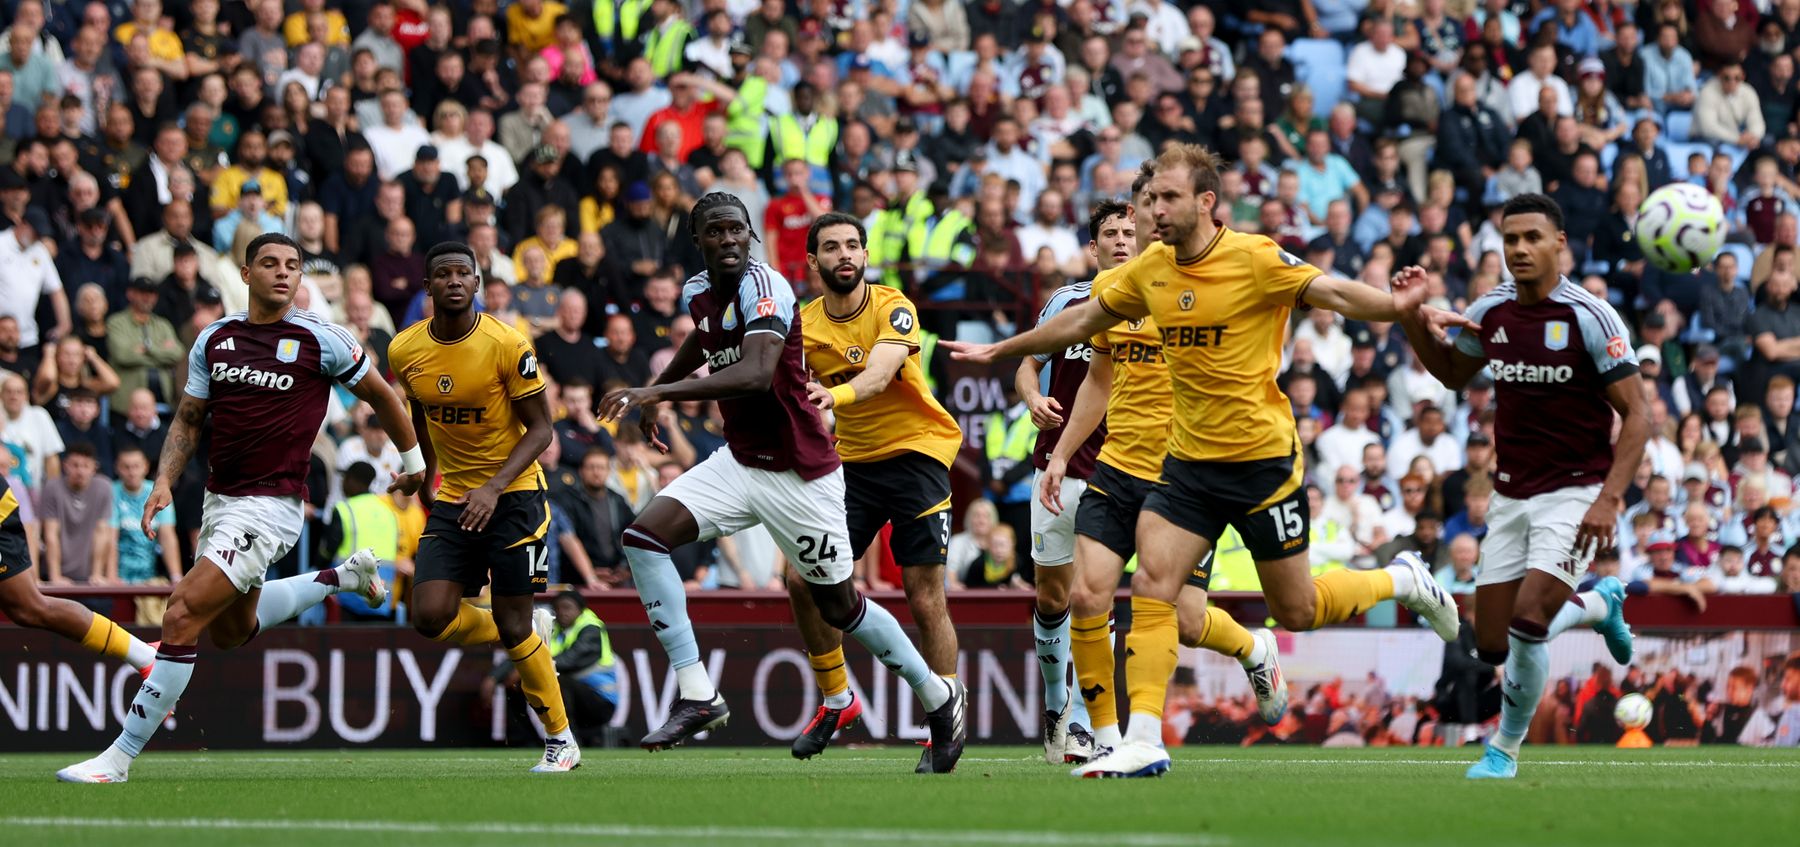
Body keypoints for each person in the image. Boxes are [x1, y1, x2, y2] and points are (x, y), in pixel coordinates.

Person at [942, 144, 1464, 778]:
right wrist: (1006, 351)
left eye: (1165, 200)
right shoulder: (1146, 273)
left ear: (1205, 201)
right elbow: (1078, 332)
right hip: (1176, 467)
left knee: (1294, 609)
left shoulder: (1255, 257)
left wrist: (1401, 305)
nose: (1150, 214)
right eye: (1147, 201)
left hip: (1261, 461)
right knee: (1136, 590)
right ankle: (1136, 739)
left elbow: (1337, 294)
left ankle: (1402, 579)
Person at [599, 193, 967, 772]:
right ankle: (699, 692)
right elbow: (705, 336)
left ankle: (937, 694)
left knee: (842, 605)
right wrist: (659, 389)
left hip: (803, 473)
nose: (726, 240)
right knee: (643, 538)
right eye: (714, 231)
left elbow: (753, 374)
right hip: (741, 461)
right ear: (697, 240)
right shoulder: (700, 290)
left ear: (752, 236)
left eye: (736, 230)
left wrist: (656, 393)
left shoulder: (768, 287)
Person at [56, 233, 421, 784]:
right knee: (230, 630)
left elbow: (384, 395)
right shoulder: (215, 339)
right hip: (219, 500)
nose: (283, 273)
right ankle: (342, 576)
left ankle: (118, 759)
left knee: (180, 613)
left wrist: (413, 460)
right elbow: (188, 417)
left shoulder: (324, 340)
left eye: (293, 266)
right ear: (245, 273)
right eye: (270, 264)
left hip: (272, 505)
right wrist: (162, 480)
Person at [1393, 193, 1646, 780]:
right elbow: (1453, 374)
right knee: (1490, 645)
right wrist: (1410, 315)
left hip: (1577, 491)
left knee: (1529, 621)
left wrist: (1609, 498)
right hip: (1511, 494)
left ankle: (1502, 751)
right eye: (1511, 240)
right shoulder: (1493, 311)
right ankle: (1598, 604)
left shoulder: (1591, 316)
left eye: (1533, 237)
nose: (1520, 249)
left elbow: (1638, 414)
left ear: (1561, 243)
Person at [1037, 186, 1287, 764]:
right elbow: (1097, 381)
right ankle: (1104, 740)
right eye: (1125, 228)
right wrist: (1057, 455)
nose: (1138, 233)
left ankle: (1254, 649)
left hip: (1184, 477)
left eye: (1144, 225)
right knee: (1087, 595)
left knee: (1189, 620)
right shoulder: (1110, 294)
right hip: (1118, 468)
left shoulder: (1206, 286)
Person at [386, 240, 579, 773]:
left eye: (462, 274)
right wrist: (428, 471)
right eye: (441, 274)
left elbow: (543, 428)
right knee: (428, 615)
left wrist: (493, 487)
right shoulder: (404, 350)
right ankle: (526, 632)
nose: (453, 281)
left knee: (513, 624)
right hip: (454, 496)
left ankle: (561, 741)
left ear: (477, 283)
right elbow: (422, 412)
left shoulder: (505, 343)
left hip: (514, 494)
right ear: (427, 288)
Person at [787, 212, 963, 768]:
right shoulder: (802, 324)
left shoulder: (894, 306)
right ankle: (837, 698)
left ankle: (946, 711)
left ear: (865, 255)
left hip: (918, 454)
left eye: (853, 246)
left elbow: (881, 373)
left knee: (923, 594)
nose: (845, 254)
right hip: (852, 465)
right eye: (832, 247)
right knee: (800, 577)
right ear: (813, 261)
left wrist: (831, 399)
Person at [1009, 209, 1112, 764]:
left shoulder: (1162, 299)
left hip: (1121, 471)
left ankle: (1091, 725)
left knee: (1095, 597)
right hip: (1056, 466)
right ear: (1093, 249)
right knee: (1053, 598)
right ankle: (1057, 704)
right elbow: (1027, 363)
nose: (1122, 242)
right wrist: (1032, 397)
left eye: (1130, 233)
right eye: (1110, 236)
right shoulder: (1066, 302)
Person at [546, 589, 620, 747]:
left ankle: (567, 741)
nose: (561, 613)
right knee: (520, 683)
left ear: (580, 610)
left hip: (601, 699)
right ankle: (523, 740)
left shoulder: (591, 628)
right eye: (557, 608)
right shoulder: (556, 629)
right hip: (577, 697)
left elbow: (570, 660)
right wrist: (494, 678)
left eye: (567, 608)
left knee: (561, 682)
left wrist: (534, 667)